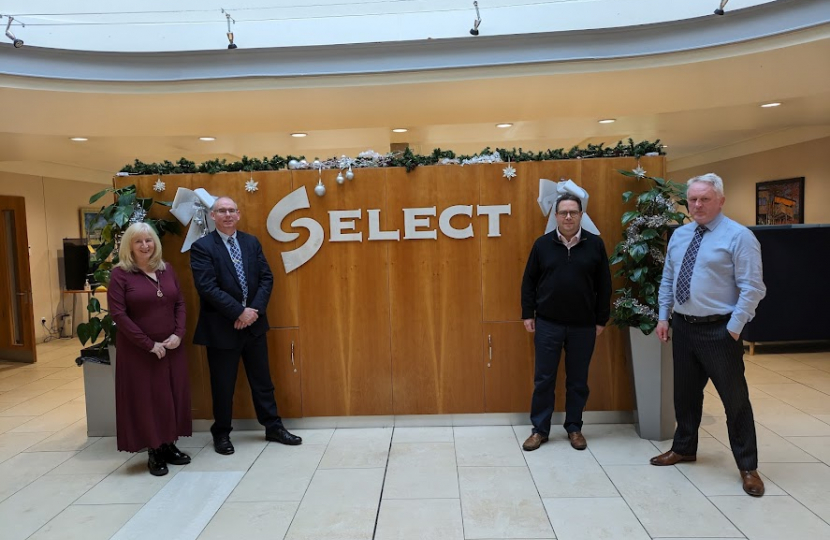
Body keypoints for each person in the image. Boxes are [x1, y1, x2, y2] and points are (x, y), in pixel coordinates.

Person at [651, 173, 767, 497]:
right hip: (684, 327)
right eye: (692, 199)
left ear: (721, 201)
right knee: (685, 395)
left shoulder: (739, 237)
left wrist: (734, 327)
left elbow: (753, 288)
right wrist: (664, 316)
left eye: (704, 199)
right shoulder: (679, 235)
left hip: (720, 330)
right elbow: (668, 279)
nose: (697, 205)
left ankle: (748, 466)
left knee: (735, 401)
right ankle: (684, 448)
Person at [190, 196, 301, 455]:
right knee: (223, 385)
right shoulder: (202, 247)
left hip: (254, 326)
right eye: (221, 211)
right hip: (221, 329)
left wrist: (253, 312)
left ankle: (273, 427)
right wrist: (238, 311)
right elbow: (206, 287)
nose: (227, 215)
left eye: (231, 210)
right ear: (213, 216)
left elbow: (266, 278)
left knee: (263, 381)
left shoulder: (251, 242)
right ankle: (222, 434)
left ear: (238, 215)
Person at [520, 193, 612, 452]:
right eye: (563, 213)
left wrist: (601, 319)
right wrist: (528, 314)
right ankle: (539, 430)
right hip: (548, 324)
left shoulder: (595, 245)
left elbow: (605, 285)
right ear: (556, 216)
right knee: (544, 380)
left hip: (584, 326)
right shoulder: (542, 245)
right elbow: (529, 282)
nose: (568, 217)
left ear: (581, 215)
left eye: (573, 212)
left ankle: (574, 428)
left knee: (578, 381)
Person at [108, 222, 192, 476]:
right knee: (147, 399)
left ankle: (169, 444)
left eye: (149, 240)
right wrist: (148, 344)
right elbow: (119, 315)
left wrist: (178, 334)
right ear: (129, 247)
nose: (145, 245)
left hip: (171, 347)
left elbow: (179, 303)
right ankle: (154, 450)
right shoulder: (120, 275)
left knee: (171, 395)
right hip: (139, 351)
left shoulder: (167, 270)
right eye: (139, 241)